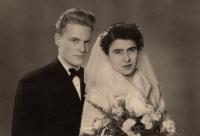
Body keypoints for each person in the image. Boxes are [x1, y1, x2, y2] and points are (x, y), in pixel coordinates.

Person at [12, 8, 95, 136]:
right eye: (75, 41)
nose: (82, 49)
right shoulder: (32, 83)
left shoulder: (93, 80)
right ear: (57, 39)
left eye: (86, 42)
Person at [80, 22, 165, 134]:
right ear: (107, 56)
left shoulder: (153, 88)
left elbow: (166, 129)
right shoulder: (98, 92)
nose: (126, 58)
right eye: (118, 52)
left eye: (131, 50)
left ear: (138, 51)